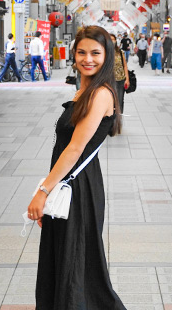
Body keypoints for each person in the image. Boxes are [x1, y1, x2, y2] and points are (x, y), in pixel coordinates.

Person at [27, 25, 125, 310]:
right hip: (69, 185)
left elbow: (74, 149)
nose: (88, 59)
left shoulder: (101, 94)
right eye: (81, 52)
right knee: (66, 258)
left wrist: (44, 191)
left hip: (78, 188)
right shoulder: (85, 89)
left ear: (107, 56)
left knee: (76, 261)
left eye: (95, 53)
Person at [110, 34, 129, 113]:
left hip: (120, 79)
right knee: (110, 100)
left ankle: (118, 118)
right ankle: (110, 117)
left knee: (120, 100)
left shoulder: (120, 52)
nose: (112, 41)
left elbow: (125, 66)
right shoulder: (103, 52)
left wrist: (127, 79)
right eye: (110, 39)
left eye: (113, 39)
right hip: (109, 80)